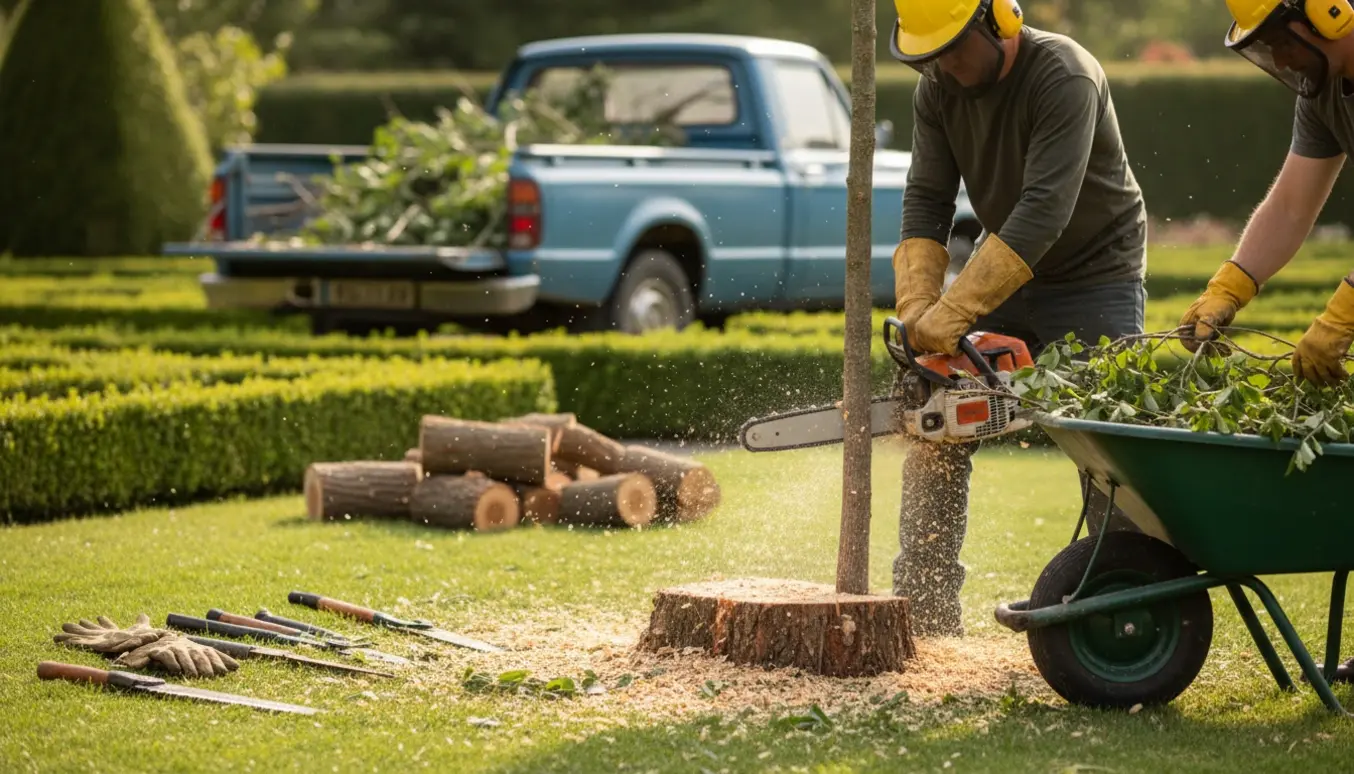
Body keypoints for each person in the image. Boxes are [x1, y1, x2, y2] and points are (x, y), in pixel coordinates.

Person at [887, 0, 1149, 636]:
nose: (943, 66)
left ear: (996, 20)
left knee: (1105, 444)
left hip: (1095, 275)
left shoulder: (1065, 75)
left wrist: (958, 307)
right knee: (933, 419)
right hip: (1002, 265)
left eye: (952, 48)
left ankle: (1123, 610)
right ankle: (923, 611)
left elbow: (1044, 209)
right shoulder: (937, 88)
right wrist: (920, 305)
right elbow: (926, 197)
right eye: (929, 55)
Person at [1179, 0, 1354, 679]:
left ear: (1329, 17)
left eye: (1282, 41)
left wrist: (1342, 314)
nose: (1278, 61)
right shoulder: (1324, 91)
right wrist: (1231, 286)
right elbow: (1289, 205)